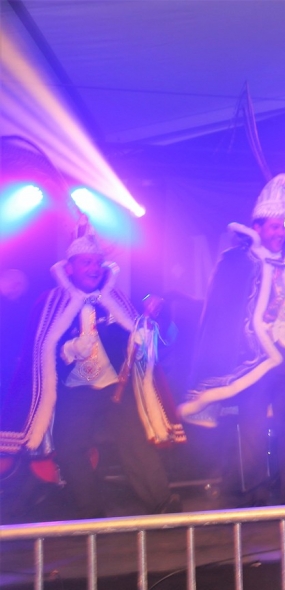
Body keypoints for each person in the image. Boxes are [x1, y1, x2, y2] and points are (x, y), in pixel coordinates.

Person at [180, 174, 285, 505]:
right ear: (257, 227)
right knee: (252, 429)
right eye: (274, 227)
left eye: (282, 226)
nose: (280, 232)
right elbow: (222, 311)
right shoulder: (236, 261)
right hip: (253, 362)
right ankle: (254, 493)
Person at [0, 221, 183, 518]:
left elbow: (138, 339)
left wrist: (147, 322)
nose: (94, 268)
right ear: (70, 267)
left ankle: (161, 503)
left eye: (97, 262)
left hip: (115, 385)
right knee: (70, 447)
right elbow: (39, 352)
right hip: (75, 391)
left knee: (135, 440)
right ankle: (91, 515)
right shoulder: (51, 302)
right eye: (86, 262)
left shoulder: (115, 298)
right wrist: (68, 350)